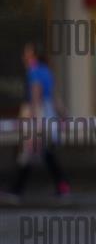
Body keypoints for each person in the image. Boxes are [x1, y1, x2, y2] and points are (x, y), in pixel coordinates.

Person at [9, 43, 70, 199]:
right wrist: (63, 114)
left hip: (38, 114)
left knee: (30, 152)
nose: (24, 57)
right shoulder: (47, 71)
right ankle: (61, 186)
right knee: (44, 152)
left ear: (34, 56)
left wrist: (34, 120)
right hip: (48, 113)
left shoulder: (34, 71)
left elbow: (36, 94)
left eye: (27, 54)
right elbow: (54, 96)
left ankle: (16, 190)